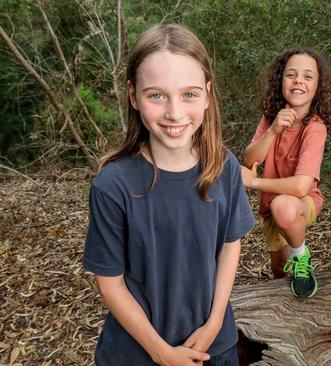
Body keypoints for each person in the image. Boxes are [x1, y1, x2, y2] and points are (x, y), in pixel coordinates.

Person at [83, 24, 255, 366]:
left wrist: (215, 322)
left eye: (189, 94)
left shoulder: (225, 167)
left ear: (207, 94)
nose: (174, 112)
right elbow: (110, 283)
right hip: (136, 354)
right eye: (156, 95)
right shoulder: (113, 184)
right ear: (134, 96)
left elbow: (229, 245)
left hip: (213, 347)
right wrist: (161, 353)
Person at [241, 47, 331, 298]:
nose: (298, 81)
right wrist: (273, 130)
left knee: (284, 206)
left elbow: (300, 187)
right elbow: (251, 158)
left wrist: (255, 183)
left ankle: (301, 256)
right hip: (271, 207)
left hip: (300, 204)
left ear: (318, 86)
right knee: (279, 274)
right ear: (280, 81)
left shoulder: (315, 127)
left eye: (308, 76)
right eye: (291, 75)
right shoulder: (270, 119)